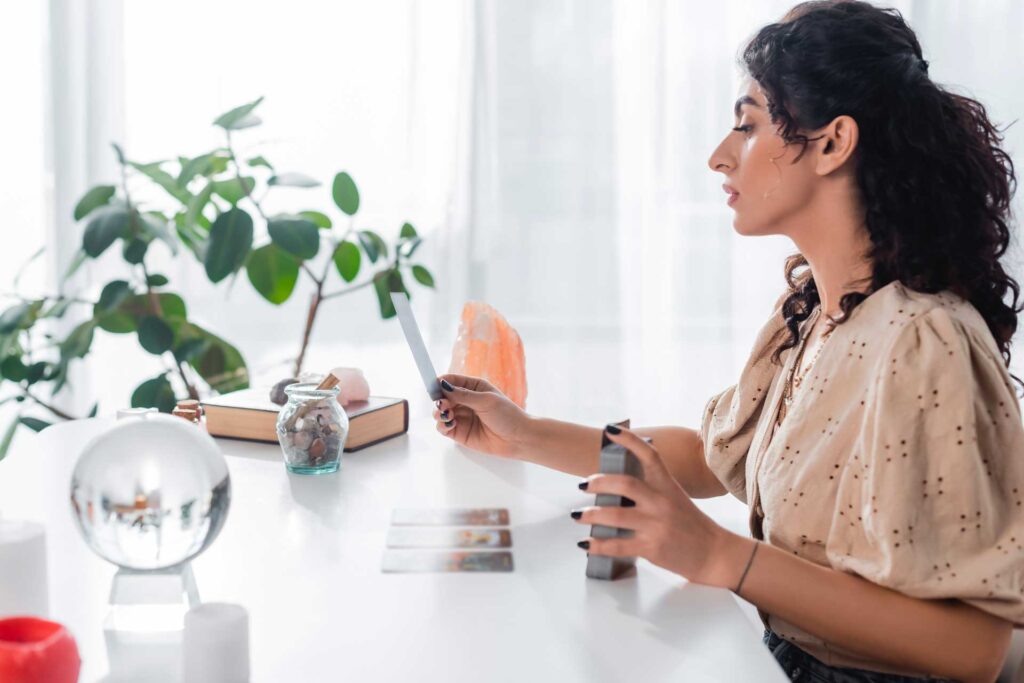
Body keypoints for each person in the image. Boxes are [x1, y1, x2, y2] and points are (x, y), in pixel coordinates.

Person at [431, 1, 1024, 681]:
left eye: (746, 126)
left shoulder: (925, 341)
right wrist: (524, 433)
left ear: (832, 143)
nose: (719, 156)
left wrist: (721, 556)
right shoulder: (809, 317)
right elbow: (711, 457)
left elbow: (975, 649)